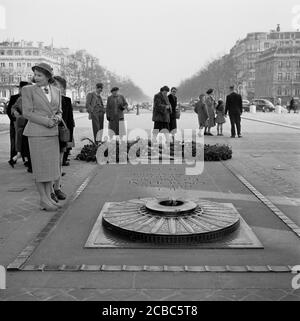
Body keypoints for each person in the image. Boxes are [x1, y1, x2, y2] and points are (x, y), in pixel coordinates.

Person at [22, 63, 62, 212]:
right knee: (40, 168)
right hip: (36, 133)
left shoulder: (56, 90)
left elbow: (59, 111)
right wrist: (47, 121)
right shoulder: (28, 90)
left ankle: (49, 197)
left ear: (48, 77)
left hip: (52, 133)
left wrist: (57, 118)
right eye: (35, 75)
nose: (36, 78)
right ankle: (43, 199)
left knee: (50, 168)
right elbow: (27, 112)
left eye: (39, 75)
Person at [52, 75, 75, 202]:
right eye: (53, 84)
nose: (55, 87)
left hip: (61, 135)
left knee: (59, 163)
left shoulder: (66, 100)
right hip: (48, 135)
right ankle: (49, 190)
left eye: (58, 86)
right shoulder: (47, 100)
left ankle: (57, 187)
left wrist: (68, 139)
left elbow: (70, 121)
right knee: (50, 163)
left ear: (63, 89)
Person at [11, 81, 32, 172]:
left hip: (32, 124)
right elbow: (13, 108)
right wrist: (16, 113)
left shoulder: (35, 98)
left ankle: (28, 162)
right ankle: (27, 161)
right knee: (23, 144)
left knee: (29, 145)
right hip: (22, 125)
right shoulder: (20, 99)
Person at [7, 83, 24, 168]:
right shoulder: (14, 97)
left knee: (22, 142)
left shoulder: (29, 97)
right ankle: (13, 159)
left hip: (24, 123)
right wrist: (14, 118)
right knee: (14, 142)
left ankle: (26, 161)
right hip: (15, 123)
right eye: (21, 88)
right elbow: (9, 109)